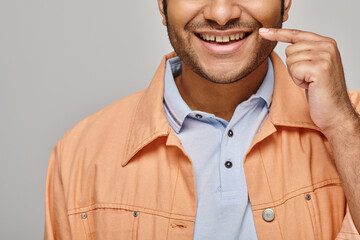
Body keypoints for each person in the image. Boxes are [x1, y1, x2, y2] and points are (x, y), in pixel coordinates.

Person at [44, 0, 360, 239]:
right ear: (162, 5)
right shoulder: (80, 153)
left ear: (285, 2)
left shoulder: (351, 122)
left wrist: (343, 127)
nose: (221, 14)